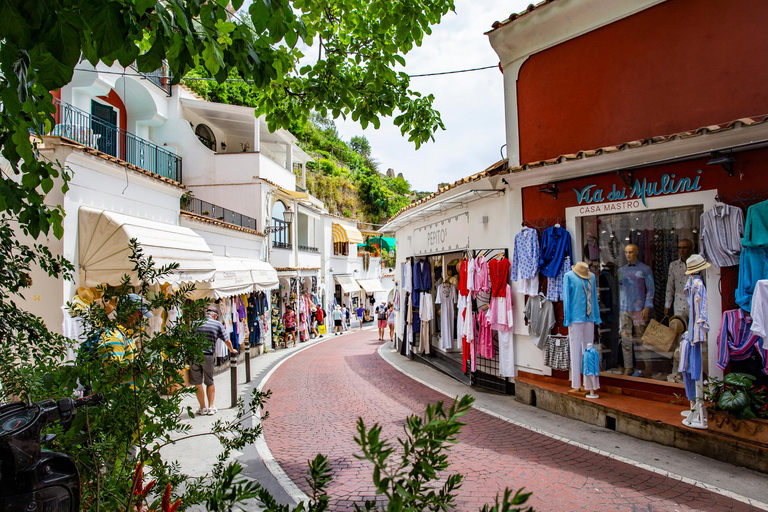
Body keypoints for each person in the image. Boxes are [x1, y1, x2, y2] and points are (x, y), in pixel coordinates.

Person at [191, 307, 237, 416]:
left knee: (197, 383)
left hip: (194, 355)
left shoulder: (195, 323)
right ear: (215, 316)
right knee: (209, 381)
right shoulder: (217, 324)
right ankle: (211, 407)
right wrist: (232, 350)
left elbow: (189, 338)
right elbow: (226, 340)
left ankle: (202, 408)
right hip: (208, 355)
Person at [618, 243, 654, 377]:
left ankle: (647, 366)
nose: (628, 254)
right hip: (625, 308)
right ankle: (628, 367)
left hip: (639, 309)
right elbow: (621, 288)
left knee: (642, 339)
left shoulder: (645, 269)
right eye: (626, 252)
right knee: (626, 339)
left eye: (631, 252)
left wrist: (647, 306)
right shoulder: (621, 271)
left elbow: (651, 288)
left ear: (637, 252)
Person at [665, 239, 694, 319]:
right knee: (679, 327)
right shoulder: (674, 265)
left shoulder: (696, 264)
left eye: (684, 248)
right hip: (679, 304)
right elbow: (670, 285)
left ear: (690, 248)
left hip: (693, 302)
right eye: (679, 248)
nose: (681, 250)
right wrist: (668, 304)